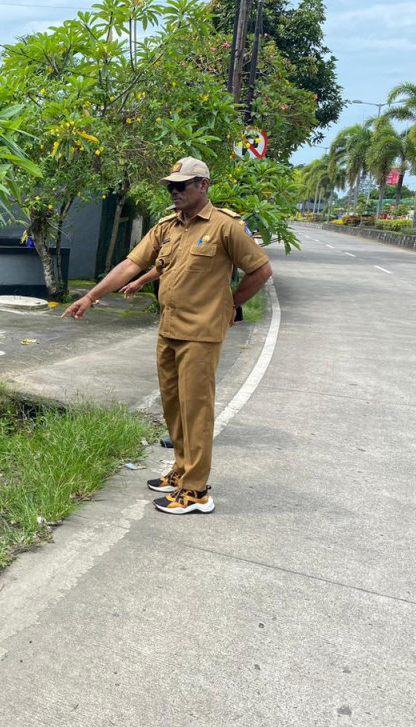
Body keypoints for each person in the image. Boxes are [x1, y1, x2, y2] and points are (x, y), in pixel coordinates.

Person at [61, 157, 273, 514]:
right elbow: (132, 264)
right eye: (171, 186)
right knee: (174, 407)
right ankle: (181, 468)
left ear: (203, 186)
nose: (174, 192)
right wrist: (90, 296)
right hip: (169, 329)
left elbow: (261, 270)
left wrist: (230, 307)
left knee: (196, 411)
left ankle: (196, 491)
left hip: (201, 333)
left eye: (182, 186)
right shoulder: (168, 227)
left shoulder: (226, 227)